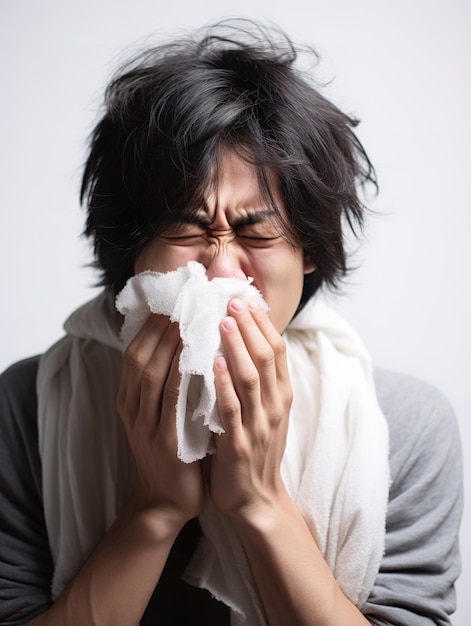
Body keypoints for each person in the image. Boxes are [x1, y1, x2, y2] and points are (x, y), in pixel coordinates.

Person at [0, 19, 462, 626]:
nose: (220, 272)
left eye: (258, 233)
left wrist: (261, 502)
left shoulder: (400, 425)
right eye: (187, 230)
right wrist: (156, 508)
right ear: (131, 251)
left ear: (311, 249)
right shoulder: (29, 405)